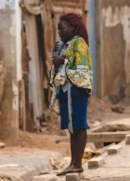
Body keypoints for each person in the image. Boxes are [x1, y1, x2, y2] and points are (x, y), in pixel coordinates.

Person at [50, 13, 92, 177]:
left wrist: (62, 60)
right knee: (72, 127)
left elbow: (81, 67)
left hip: (76, 90)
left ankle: (77, 163)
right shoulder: (65, 44)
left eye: (62, 28)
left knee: (79, 126)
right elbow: (59, 65)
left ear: (73, 28)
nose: (59, 31)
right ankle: (74, 163)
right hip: (65, 90)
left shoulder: (79, 43)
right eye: (58, 28)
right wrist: (57, 56)